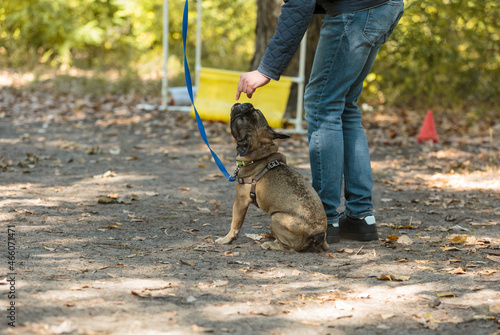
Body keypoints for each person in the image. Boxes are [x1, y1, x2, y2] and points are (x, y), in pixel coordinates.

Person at [236, 0, 404, 243]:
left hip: (356, 13)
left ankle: (323, 217)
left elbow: (299, 4)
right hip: (382, 6)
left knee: (322, 105)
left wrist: (266, 70)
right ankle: (360, 217)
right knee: (345, 106)